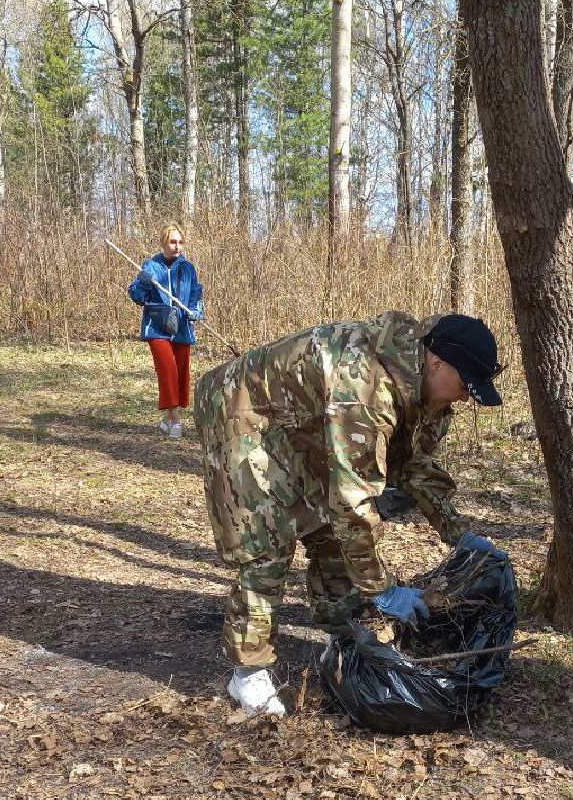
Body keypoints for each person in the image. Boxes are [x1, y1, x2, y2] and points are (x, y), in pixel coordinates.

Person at [193, 310, 506, 717]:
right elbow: (353, 503)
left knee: (330, 532)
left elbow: (415, 468)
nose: (465, 397)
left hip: (304, 423)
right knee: (265, 543)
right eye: (465, 385)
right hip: (242, 412)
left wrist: (459, 533)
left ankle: (341, 635)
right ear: (437, 362)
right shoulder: (366, 388)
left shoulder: (424, 393)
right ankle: (248, 673)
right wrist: (382, 589)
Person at [128, 224, 203, 438]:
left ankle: (167, 419)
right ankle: (176, 420)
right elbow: (137, 297)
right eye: (172, 242)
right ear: (163, 243)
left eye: (180, 242)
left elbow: (195, 294)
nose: (177, 246)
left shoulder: (188, 268)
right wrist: (141, 284)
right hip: (157, 327)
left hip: (182, 327)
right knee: (168, 370)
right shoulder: (151, 266)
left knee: (180, 374)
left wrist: (196, 311)